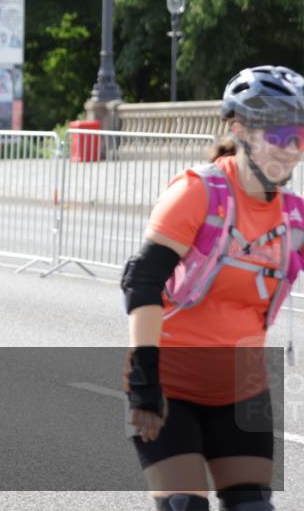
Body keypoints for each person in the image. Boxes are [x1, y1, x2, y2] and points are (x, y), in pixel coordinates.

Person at [121, 65, 304, 511]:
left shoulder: (293, 218)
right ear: (239, 128)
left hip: (243, 392)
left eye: (300, 137)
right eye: (278, 135)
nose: (291, 149)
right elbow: (141, 281)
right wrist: (145, 383)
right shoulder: (200, 192)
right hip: (169, 387)